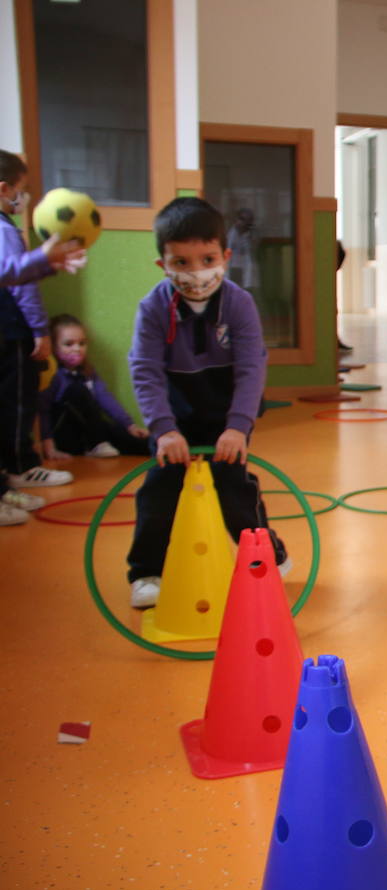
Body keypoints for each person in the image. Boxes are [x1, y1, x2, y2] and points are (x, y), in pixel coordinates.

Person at [125, 197, 287, 609]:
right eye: (181, 262)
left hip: (224, 411)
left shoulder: (239, 303)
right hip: (175, 416)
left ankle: (267, 558)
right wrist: (163, 428)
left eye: (207, 258)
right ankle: (146, 572)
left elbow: (252, 368)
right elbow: (145, 370)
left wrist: (237, 426)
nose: (196, 272)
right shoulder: (153, 308)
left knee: (235, 488)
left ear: (225, 256)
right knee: (159, 493)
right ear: (162, 264)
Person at [1, 149, 79, 495]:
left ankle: (9, 478)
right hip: (12, 332)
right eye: (22, 188)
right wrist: (38, 330)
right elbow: (18, 280)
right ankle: (20, 467)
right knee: (18, 403)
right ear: (4, 189)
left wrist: (46, 263)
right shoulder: (4, 229)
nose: (24, 197)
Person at [39, 314, 149, 459]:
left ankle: (164, 445)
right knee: (77, 390)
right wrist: (48, 446)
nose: (77, 349)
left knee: (136, 441)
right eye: (69, 344)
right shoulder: (53, 377)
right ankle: (95, 444)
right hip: (66, 434)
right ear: (53, 346)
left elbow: (105, 398)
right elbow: (43, 411)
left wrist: (130, 425)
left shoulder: (88, 372)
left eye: (82, 343)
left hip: (94, 430)